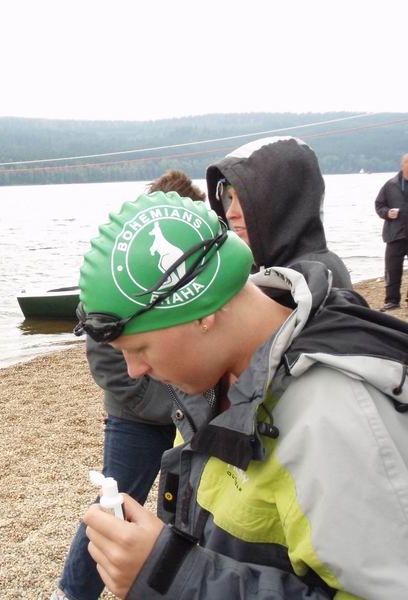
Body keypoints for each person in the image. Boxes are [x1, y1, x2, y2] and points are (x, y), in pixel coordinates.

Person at [74, 191, 408, 598]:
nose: (133, 371)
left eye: (139, 348)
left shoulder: (337, 422)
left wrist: (174, 577)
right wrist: (161, 557)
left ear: (202, 314)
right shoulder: (213, 383)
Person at [52, 171, 204, 600]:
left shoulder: (202, 265)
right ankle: (72, 593)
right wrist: (169, 402)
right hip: (136, 415)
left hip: (195, 412)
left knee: (192, 511)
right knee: (113, 506)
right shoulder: (114, 274)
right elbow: (106, 361)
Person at [206, 136, 352, 288]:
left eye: (243, 200)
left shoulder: (312, 275)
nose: (230, 213)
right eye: (230, 198)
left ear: (282, 203)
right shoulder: (270, 268)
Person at [374, 154, 408, 311]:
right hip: (395, 233)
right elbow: (379, 205)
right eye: (407, 162)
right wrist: (387, 213)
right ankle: (392, 300)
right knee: (392, 268)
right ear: (402, 164)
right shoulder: (391, 184)